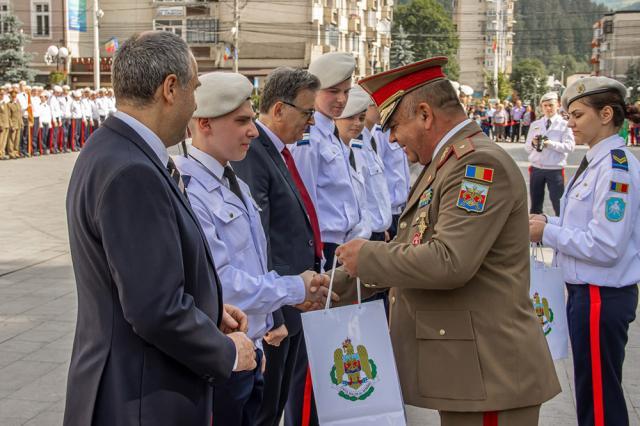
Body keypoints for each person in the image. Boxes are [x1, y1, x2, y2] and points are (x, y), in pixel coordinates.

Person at [329, 57, 560, 426]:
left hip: (489, 374)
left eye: (395, 125)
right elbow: (412, 242)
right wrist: (333, 287)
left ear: (425, 115)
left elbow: (449, 260)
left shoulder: (478, 167)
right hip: (469, 373)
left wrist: (367, 256)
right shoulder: (446, 165)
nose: (390, 137)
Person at [63, 31, 256, 426]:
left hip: (128, 388)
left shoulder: (111, 148)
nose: (195, 102)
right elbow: (155, 309)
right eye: (194, 87)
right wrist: (227, 352)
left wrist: (208, 311)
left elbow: (141, 282)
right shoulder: (133, 170)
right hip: (141, 398)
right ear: (170, 88)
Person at [173, 71, 334, 426]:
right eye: (242, 121)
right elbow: (222, 284)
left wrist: (276, 312)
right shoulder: (190, 190)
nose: (254, 130)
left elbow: (256, 266)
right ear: (204, 124)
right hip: (223, 357)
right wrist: (294, 288)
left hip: (251, 349)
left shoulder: (232, 182)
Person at [529, 76, 640, 426]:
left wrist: (548, 232)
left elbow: (605, 245)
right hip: (587, 292)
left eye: (577, 115)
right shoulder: (596, 160)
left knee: (600, 397)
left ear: (606, 114)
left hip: (600, 296)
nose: (570, 123)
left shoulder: (615, 167)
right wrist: (548, 222)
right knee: (592, 391)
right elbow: (584, 226)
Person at [231, 67, 324, 426]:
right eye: (307, 112)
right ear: (280, 109)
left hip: (291, 299)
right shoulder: (255, 153)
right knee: (266, 409)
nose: (312, 122)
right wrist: (278, 314)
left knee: (281, 400)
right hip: (279, 309)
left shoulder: (277, 151)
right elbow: (259, 241)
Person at [524, 91, 575, 216]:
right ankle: (536, 233)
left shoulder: (564, 125)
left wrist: (550, 144)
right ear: (541, 107)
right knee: (535, 206)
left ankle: (561, 230)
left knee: (559, 204)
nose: (548, 108)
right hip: (537, 168)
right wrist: (534, 143)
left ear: (557, 105)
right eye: (545, 105)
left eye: (551, 105)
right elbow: (527, 148)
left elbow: (570, 147)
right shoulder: (536, 124)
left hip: (555, 169)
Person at [0, 87, 9, 160]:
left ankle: (2, 153)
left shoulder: (5, 103)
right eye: (0, 94)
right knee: (0, 140)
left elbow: (7, 114)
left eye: (3, 94)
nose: (2, 96)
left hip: (6, 124)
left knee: (4, 141)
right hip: (1, 125)